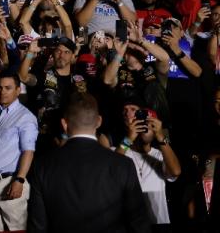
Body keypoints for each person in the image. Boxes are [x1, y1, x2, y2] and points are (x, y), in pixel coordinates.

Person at [27, 93, 153, 232]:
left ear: (64, 123)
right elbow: (139, 222)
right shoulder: (123, 164)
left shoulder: (42, 165)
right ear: (98, 121)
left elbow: (37, 226)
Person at [0, 73, 38, 232]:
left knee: (16, 229)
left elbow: (28, 151)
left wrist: (19, 180)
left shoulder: (25, 117)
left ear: (18, 90)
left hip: (10, 181)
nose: (2, 91)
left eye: (8, 88)